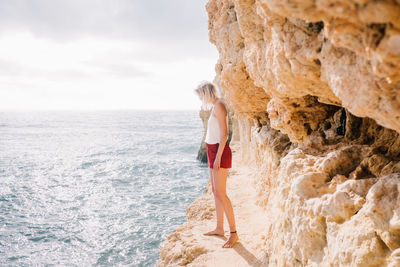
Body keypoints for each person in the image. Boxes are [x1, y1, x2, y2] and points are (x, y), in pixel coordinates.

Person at [194, 81, 239, 248]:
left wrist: (218, 157)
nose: (199, 99)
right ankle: (220, 228)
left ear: (205, 92)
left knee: (221, 193)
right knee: (215, 192)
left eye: (200, 95)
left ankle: (233, 233)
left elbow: (224, 134)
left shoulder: (219, 105)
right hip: (212, 150)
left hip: (218, 151)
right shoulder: (214, 106)